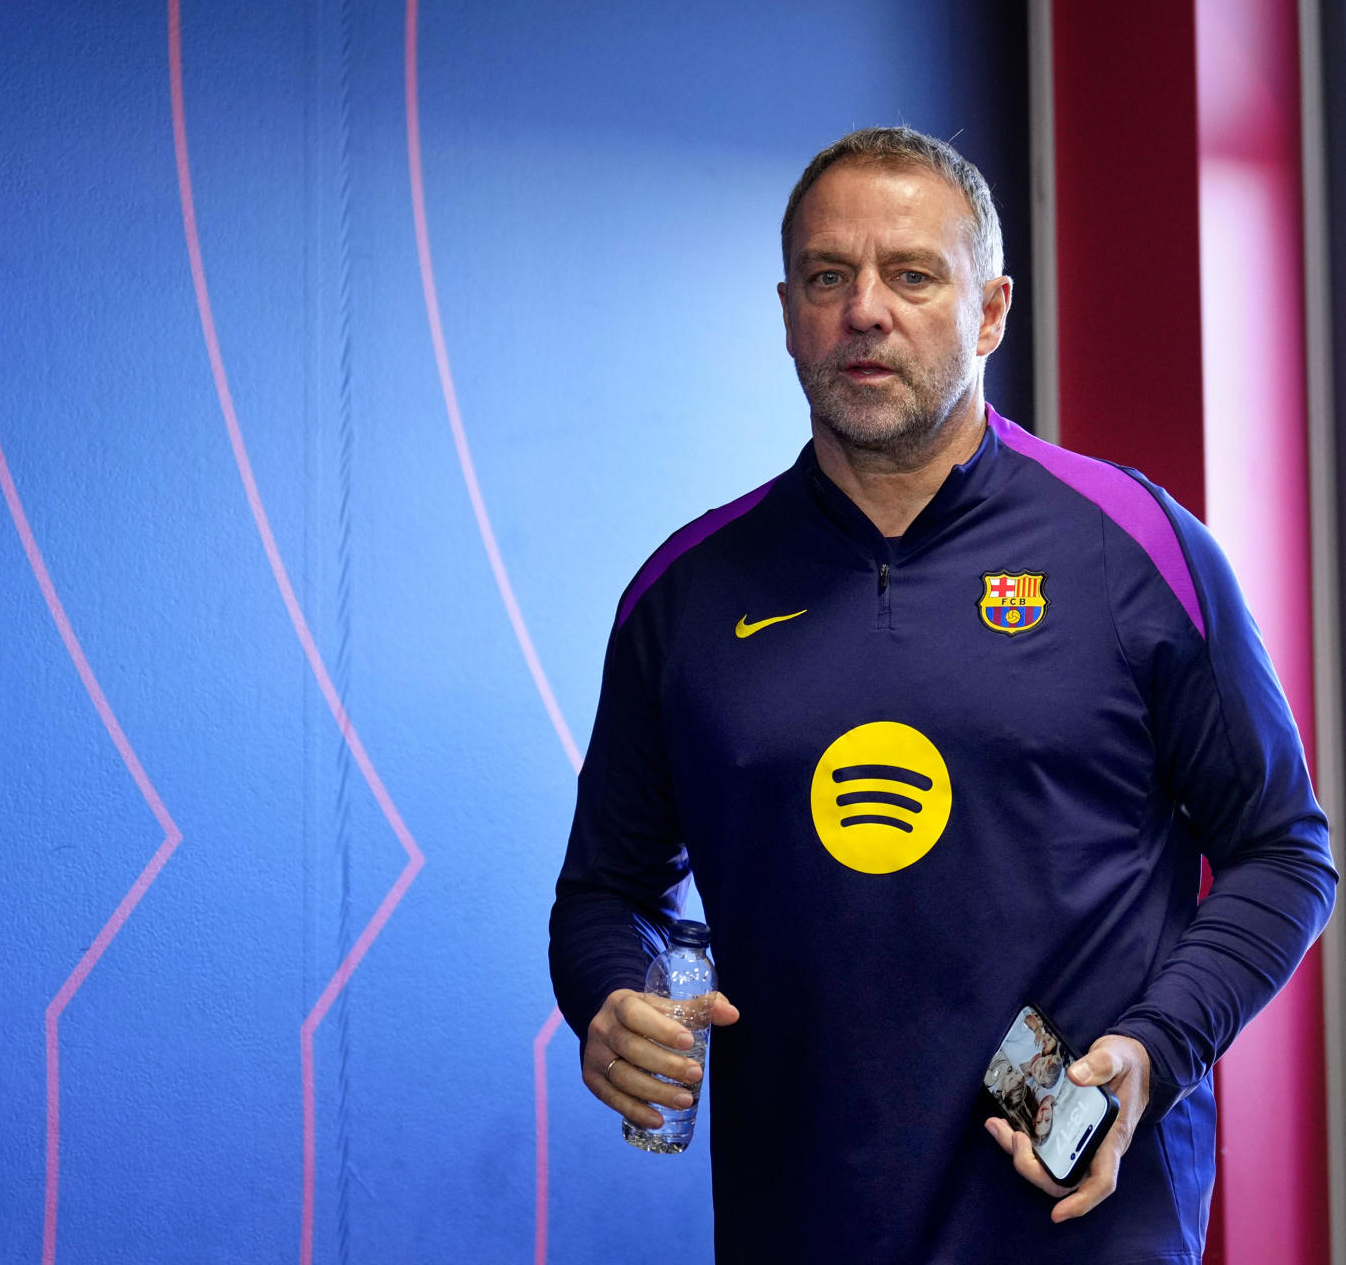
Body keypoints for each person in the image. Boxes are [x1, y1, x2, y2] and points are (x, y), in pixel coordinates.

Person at [548, 126, 1337, 1264]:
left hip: (1077, 1217)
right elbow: (605, 893)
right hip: (801, 1224)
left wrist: (1158, 1045)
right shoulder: (687, 595)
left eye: (912, 274)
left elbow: (1286, 850)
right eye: (829, 277)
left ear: (990, 309)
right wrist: (613, 997)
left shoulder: (1138, 549)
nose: (865, 309)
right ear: (787, 312)